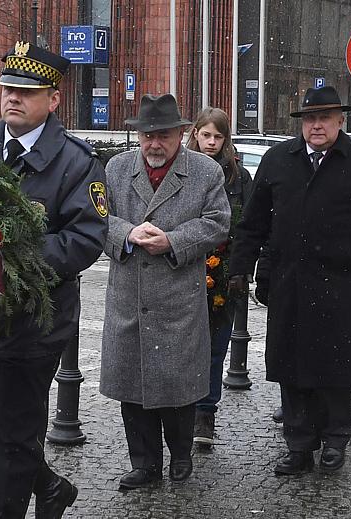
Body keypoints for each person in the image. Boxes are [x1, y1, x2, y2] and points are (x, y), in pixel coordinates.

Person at [0, 42, 108, 518]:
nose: (13, 98)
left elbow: (86, 237)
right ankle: (51, 486)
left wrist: (14, 259)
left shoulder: (78, 162)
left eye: (27, 90)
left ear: (54, 99)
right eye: (7, 88)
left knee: (16, 434)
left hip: (34, 324)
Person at [228, 86, 351, 475]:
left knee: (335, 366)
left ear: (341, 120)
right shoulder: (278, 160)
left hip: (338, 283)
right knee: (290, 365)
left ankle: (335, 438)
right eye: (310, 118)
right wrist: (240, 268)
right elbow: (253, 223)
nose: (317, 125)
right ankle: (298, 443)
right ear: (302, 123)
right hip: (288, 280)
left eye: (325, 118)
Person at [100, 93, 230, 489]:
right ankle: (144, 463)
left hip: (178, 300)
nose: (154, 144)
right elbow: (96, 218)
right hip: (129, 299)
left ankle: (180, 454)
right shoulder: (116, 168)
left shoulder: (206, 173)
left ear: (181, 133)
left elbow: (218, 223)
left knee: (178, 386)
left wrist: (173, 241)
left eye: (163, 136)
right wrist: (126, 233)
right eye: (147, 136)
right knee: (132, 387)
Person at [184, 107, 252, 447]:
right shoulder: (180, 168)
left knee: (214, 347)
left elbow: (249, 225)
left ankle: (205, 413)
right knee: (182, 347)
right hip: (185, 268)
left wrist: (240, 266)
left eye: (218, 136)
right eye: (206, 134)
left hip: (224, 272)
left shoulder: (237, 177)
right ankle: (180, 411)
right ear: (195, 133)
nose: (211, 142)